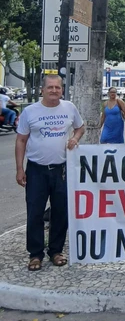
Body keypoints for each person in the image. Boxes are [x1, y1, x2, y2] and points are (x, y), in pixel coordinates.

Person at [15, 75, 85, 271]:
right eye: (50, 87)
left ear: (62, 90)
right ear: (42, 90)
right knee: (35, 212)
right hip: (36, 170)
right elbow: (21, 140)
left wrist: (75, 138)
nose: (54, 91)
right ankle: (35, 254)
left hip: (61, 170)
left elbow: (80, 127)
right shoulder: (30, 112)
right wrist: (20, 168)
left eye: (58, 87)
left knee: (61, 212)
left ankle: (56, 250)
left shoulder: (69, 108)